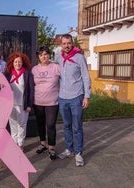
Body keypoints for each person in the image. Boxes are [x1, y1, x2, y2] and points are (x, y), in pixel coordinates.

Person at [56, 34, 91, 167]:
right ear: (61, 45)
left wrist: (87, 96)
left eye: (69, 43)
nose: (66, 45)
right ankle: (69, 149)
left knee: (77, 127)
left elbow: (86, 77)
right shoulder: (58, 58)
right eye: (64, 43)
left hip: (76, 97)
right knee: (66, 126)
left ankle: (78, 153)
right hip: (62, 98)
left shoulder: (79, 57)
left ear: (72, 43)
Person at [32, 46, 60, 160]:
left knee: (50, 124)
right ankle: (43, 144)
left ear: (49, 55)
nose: (44, 56)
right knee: (40, 124)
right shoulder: (34, 69)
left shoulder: (56, 67)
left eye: (46, 54)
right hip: (38, 101)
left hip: (52, 102)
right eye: (41, 55)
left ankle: (51, 147)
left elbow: (65, 79)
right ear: (38, 57)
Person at [4, 52, 34, 151]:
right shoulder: (8, 74)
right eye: (15, 62)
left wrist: (29, 105)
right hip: (11, 104)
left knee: (22, 124)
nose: (17, 64)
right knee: (13, 124)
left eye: (19, 62)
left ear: (23, 63)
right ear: (12, 63)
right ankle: (14, 143)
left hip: (23, 104)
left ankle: (20, 143)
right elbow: (4, 88)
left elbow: (31, 90)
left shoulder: (27, 74)